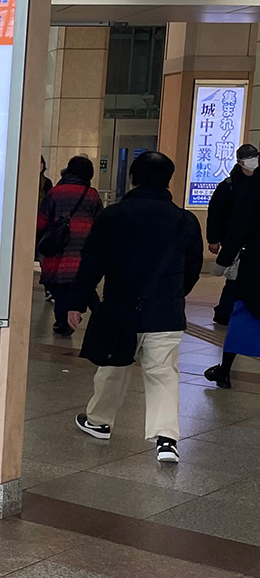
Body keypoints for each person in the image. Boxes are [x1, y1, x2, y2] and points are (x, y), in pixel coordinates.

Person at [68, 151, 203, 464]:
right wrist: (174, 295)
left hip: (120, 307)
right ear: (168, 179)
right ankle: (166, 439)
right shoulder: (185, 220)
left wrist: (77, 302)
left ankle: (99, 421)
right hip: (165, 313)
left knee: (113, 367)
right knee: (163, 374)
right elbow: (192, 268)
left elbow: (92, 263)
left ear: (133, 178)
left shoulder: (114, 215)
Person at [206, 161, 260, 389]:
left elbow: (241, 226)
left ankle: (224, 370)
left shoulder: (255, 186)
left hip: (255, 265)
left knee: (243, 314)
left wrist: (224, 260)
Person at [36, 155, 103, 337]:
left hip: (58, 249)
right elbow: (100, 223)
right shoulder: (92, 195)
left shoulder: (56, 193)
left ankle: (64, 320)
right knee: (83, 284)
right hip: (84, 249)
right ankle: (91, 316)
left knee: (59, 287)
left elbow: (41, 221)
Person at [207, 144, 259, 325]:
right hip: (234, 239)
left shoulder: (255, 185)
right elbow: (215, 212)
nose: (254, 160)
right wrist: (213, 239)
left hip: (248, 242)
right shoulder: (228, 185)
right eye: (250, 157)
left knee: (240, 280)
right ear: (240, 161)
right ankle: (224, 312)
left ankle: (228, 312)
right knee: (234, 280)